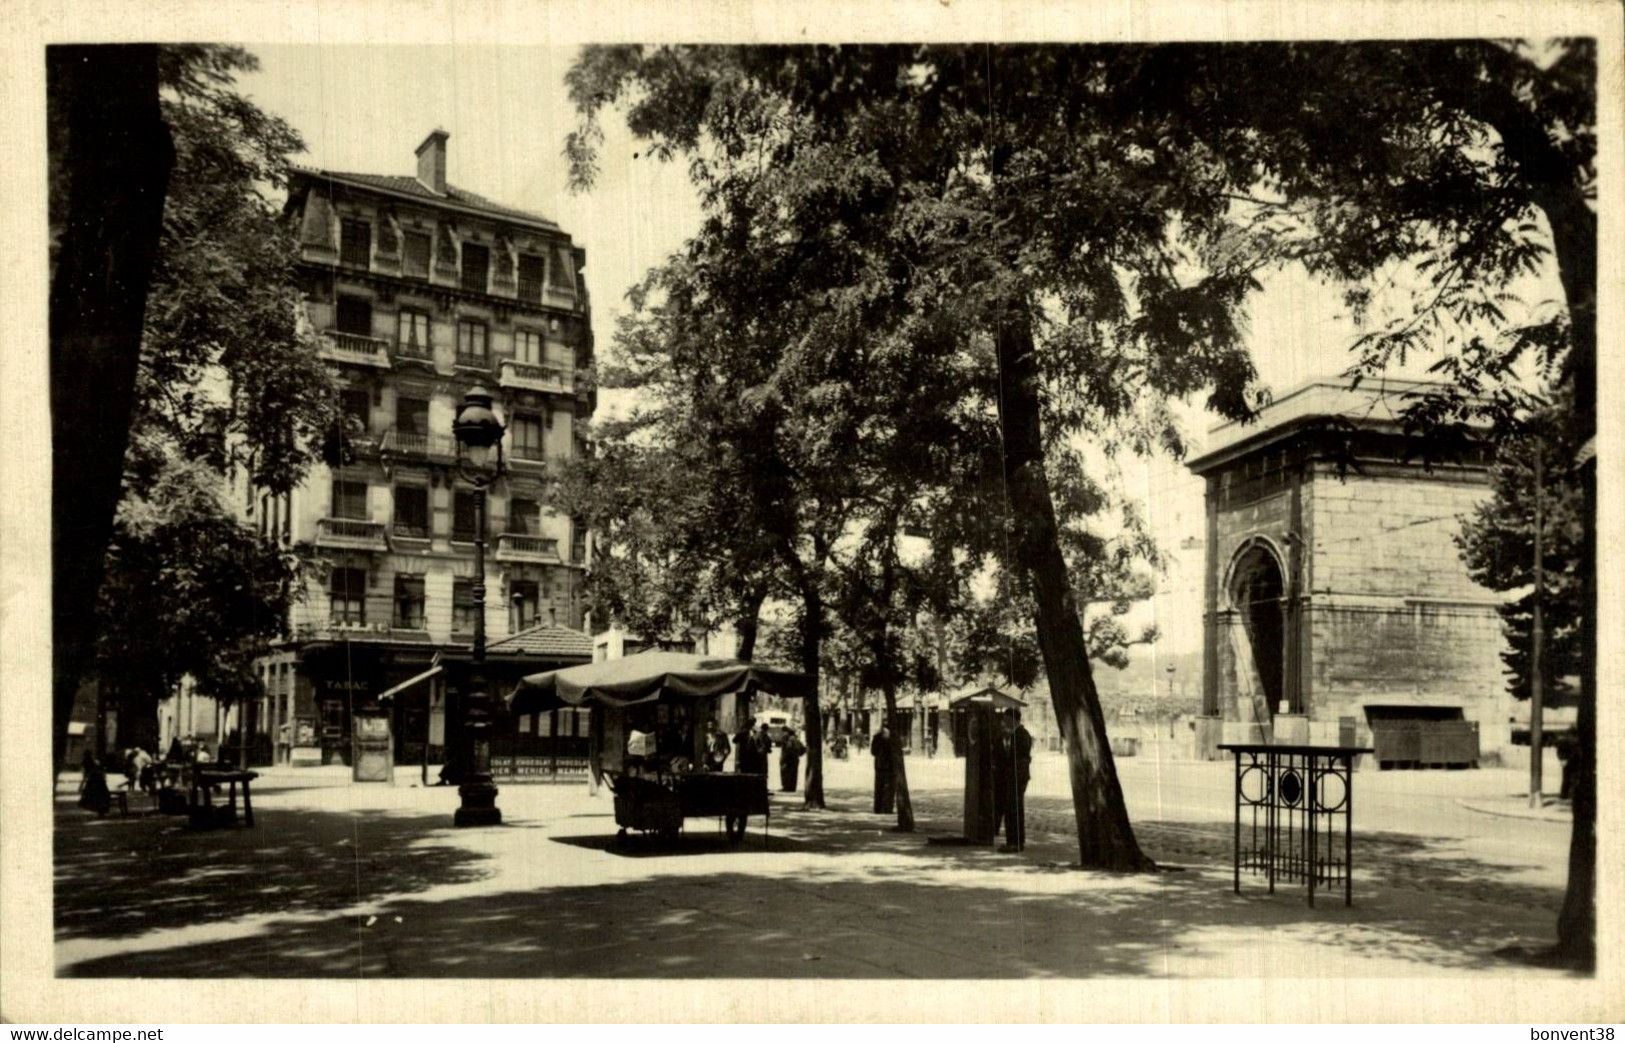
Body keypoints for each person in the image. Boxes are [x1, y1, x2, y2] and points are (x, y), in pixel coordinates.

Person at [1001, 710, 1034, 852]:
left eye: (1006, 718)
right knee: (1014, 807)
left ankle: (1014, 842)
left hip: (1017, 775)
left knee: (1013, 808)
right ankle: (1015, 840)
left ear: (1012, 719)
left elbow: (1019, 756)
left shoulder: (1019, 735)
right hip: (1019, 774)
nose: (1004, 721)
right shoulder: (1019, 734)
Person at [78, 749, 111, 816]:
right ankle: (101, 812)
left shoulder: (84, 762)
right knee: (101, 796)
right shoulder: (95, 761)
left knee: (92, 796)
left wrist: (81, 785)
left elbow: (85, 775)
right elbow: (102, 771)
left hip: (92, 780)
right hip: (99, 780)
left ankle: (99, 811)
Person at [871, 726, 895, 814]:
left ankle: (878, 808)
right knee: (888, 788)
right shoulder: (893, 737)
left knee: (879, 787)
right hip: (889, 766)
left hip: (880, 765)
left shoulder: (876, 737)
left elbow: (873, 752)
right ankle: (887, 808)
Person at [779, 728, 807, 792]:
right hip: (795, 759)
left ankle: (787, 788)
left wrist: (785, 759)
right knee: (794, 774)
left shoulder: (790, 740)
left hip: (789, 760)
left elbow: (788, 749)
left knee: (787, 773)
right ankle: (792, 788)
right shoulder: (797, 740)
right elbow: (803, 749)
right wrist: (798, 754)